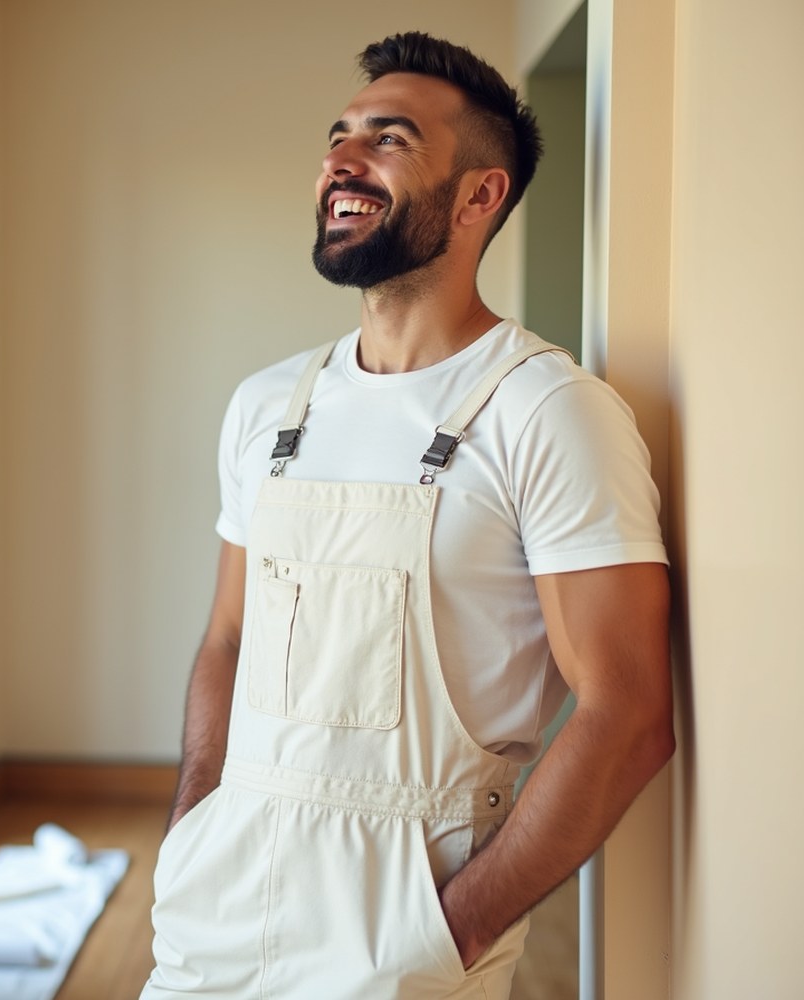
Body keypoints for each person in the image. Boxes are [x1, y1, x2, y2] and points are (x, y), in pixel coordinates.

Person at [141, 31, 675, 1000]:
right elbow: (227, 635)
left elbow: (626, 712)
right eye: (337, 137)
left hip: (407, 924)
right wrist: (193, 822)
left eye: (387, 139)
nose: (341, 160)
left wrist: (451, 929)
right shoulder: (268, 406)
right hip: (215, 905)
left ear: (479, 196)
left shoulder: (546, 412)